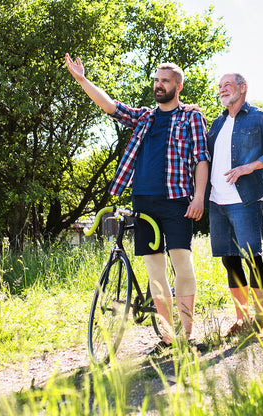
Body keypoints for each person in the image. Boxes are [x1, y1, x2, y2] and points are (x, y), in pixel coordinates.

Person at [65, 54, 210, 352]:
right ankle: (169, 337)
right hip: (143, 201)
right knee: (155, 272)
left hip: (177, 201)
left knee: (183, 264)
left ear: (178, 86)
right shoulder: (145, 116)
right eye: (156, 80)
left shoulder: (190, 117)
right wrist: (82, 79)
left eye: (165, 81)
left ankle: (187, 335)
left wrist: (198, 197)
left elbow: (201, 160)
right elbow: (110, 106)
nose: (158, 85)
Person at [207, 73, 263, 337]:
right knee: (230, 261)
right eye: (220, 86)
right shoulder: (216, 123)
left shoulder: (259, 117)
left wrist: (251, 166)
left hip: (245, 200)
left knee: (252, 258)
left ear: (242, 88)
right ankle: (241, 319)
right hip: (217, 202)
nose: (222, 90)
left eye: (228, 85)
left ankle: (259, 320)